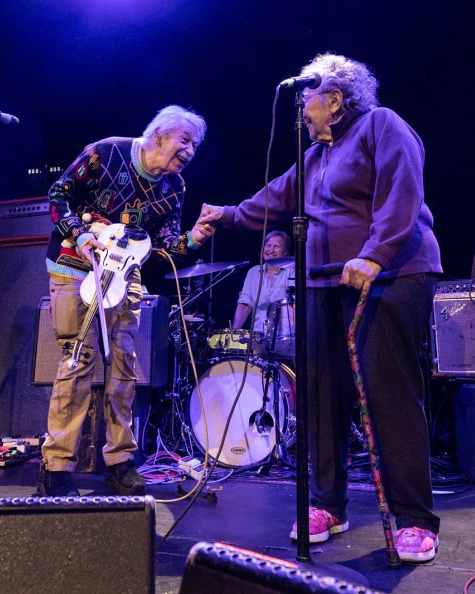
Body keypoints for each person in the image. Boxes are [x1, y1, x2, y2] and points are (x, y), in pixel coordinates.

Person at [199, 53, 443, 563]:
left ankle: (416, 519)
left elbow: (402, 192)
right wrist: (224, 215)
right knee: (320, 395)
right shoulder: (312, 156)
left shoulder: (381, 125)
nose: (300, 112)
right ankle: (327, 504)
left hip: (391, 273)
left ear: (334, 100)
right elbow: (273, 200)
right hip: (322, 281)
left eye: (307, 100)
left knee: (388, 394)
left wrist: (374, 255)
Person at [38, 105, 214, 496]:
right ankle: (56, 468)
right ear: (157, 136)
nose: (190, 151)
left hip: (124, 272)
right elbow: (57, 195)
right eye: (185, 140)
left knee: (124, 367)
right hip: (74, 262)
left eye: (195, 146)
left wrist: (196, 237)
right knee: (77, 362)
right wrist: (81, 236)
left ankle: (120, 464)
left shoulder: (175, 188)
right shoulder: (107, 151)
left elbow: (166, 248)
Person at [232, 230, 294, 339]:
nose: (270, 250)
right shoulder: (253, 272)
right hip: (257, 337)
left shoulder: (291, 271)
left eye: (276, 247)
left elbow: (294, 305)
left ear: (285, 252)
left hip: (284, 338)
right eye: (268, 245)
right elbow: (244, 305)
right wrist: (234, 333)